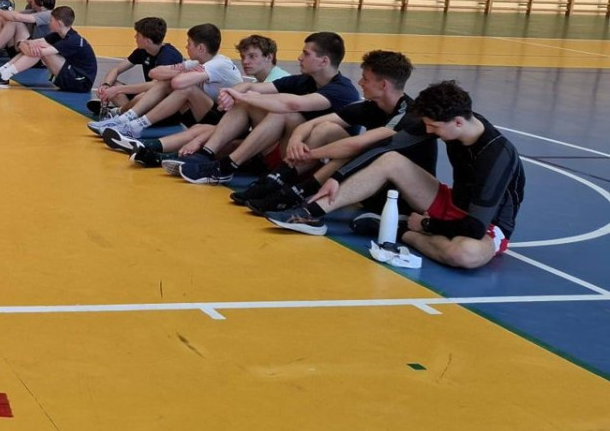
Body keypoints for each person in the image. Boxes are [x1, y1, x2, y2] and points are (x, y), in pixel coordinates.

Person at [267, 80, 524, 269]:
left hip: (485, 225)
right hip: (451, 202)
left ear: (458, 122)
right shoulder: (449, 120)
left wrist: (425, 225)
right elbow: (388, 147)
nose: (429, 132)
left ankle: (401, 231)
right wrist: (338, 176)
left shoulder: (496, 155)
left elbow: (474, 227)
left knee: (464, 254)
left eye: (434, 127)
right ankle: (310, 213)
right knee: (391, 160)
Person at [240, 50, 428, 213]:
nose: (360, 82)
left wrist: (310, 154)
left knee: (359, 149)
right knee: (326, 128)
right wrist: (296, 140)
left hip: (397, 193)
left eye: (365, 79)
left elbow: (358, 144)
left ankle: (296, 192)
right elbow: (314, 124)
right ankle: (277, 182)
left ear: (384, 85)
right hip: (369, 179)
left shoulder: (409, 115)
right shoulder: (372, 106)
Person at [178, 32, 359, 185]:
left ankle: (227, 166)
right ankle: (205, 154)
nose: (299, 57)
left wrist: (243, 96)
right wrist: (232, 93)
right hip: (289, 150)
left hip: (317, 162)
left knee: (282, 113)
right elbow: (252, 86)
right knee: (243, 107)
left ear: (324, 61)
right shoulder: (304, 80)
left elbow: (293, 104)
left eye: (306, 53)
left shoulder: (342, 90)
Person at [129, 34, 290, 169]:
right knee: (203, 129)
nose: (245, 61)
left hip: (275, 148)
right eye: (243, 57)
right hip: (259, 139)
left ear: (269, 57)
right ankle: (157, 150)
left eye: (252, 56)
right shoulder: (260, 82)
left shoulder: (279, 80)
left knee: (217, 134)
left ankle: (164, 152)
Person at [96, 23, 243, 140]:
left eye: (189, 43)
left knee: (185, 88)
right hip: (205, 114)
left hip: (227, 122)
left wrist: (178, 73)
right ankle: (126, 120)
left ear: (201, 48)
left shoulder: (218, 64)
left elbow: (177, 83)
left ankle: (132, 123)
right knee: (166, 82)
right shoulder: (196, 63)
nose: (186, 47)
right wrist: (182, 71)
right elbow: (154, 73)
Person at [0, 6, 96, 92]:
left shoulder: (72, 40)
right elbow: (33, 42)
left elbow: (41, 52)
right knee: (36, 47)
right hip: (70, 75)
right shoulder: (58, 35)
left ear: (59, 23)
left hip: (79, 82)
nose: (49, 23)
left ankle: (3, 76)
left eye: (51, 21)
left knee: (38, 51)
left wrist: (23, 45)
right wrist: (23, 43)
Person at [86, 17, 183, 117]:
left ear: (147, 41)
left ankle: (123, 111)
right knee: (113, 84)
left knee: (140, 96)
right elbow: (117, 69)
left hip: (165, 102)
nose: (135, 37)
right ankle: (126, 112)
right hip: (148, 95)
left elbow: (154, 85)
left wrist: (119, 90)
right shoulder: (143, 50)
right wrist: (106, 85)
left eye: (138, 35)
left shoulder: (168, 56)